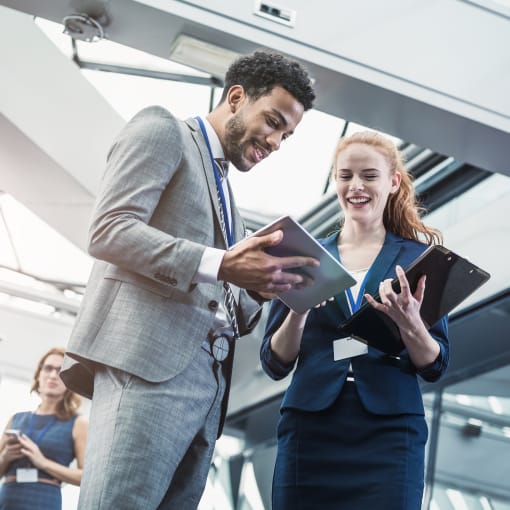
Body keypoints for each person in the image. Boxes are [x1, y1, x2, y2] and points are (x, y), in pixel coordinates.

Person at [59, 50, 316, 509]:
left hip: (209, 388)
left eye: (287, 136)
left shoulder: (230, 200)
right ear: (236, 97)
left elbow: (227, 300)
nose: (276, 142)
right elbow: (110, 229)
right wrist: (220, 263)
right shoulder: (164, 130)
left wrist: (260, 286)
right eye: (273, 122)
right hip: (148, 366)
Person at [260, 131, 450, 510]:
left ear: (393, 182)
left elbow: (436, 364)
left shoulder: (419, 259)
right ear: (335, 181)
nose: (356, 186)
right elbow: (274, 362)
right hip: (310, 430)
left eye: (369, 175)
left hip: (390, 434)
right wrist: (300, 309)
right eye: (345, 176)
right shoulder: (305, 255)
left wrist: (411, 323)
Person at [0, 347, 88, 510]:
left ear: (69, 380)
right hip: (7, 499)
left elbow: (86, 477)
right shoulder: (16, 419)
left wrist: (42, 462)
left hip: (44, 501)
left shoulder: (78, 422)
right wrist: (5, 457)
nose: (53, 375)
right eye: (48, 368)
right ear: (38, 373)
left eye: (60, 371)